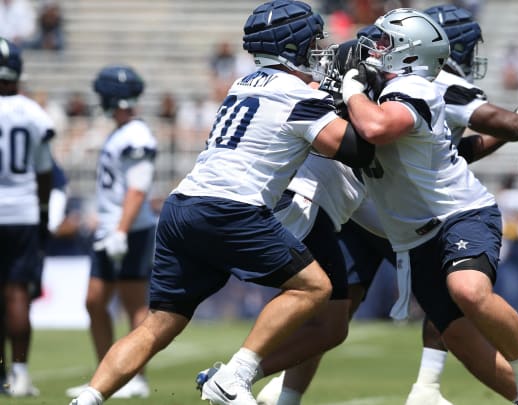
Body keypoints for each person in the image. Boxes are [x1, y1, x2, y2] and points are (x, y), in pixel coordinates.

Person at [68, 1, 373, 404]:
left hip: (182, 206)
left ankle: (88, 397)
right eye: (313, 40)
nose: (319, 48)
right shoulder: (295, 95)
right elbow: (352, 149)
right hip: (232, 207)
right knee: (315, 287)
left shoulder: (242, 84)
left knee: (157, 324)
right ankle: (235, 376)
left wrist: (325, 95)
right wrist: (350, 94)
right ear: (292, 45)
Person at [342, 8, 518, 405]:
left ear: (409, 54)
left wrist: (350, 88)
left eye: (387, 41)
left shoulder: (418, 88)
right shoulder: (383, 86)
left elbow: (374, 127)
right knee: (458, 337)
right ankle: (450, 391)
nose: (376, 46)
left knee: (468, 290)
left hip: (458, 214)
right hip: (415, 231)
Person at [64, 65, 158, 399]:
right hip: (111, 229)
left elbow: (137, 190)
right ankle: (107, 373)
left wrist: (121, 230)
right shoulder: (121, 132)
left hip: (131, 230)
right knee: (94, 301)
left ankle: (137, 377)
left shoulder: (136, 135)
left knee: (134, 304)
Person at [0, 36, 54, 397]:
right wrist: (44, 211)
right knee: (17, 292)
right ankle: (18, 374)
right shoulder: (34, 112)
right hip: (21, 211)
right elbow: (45, 172)